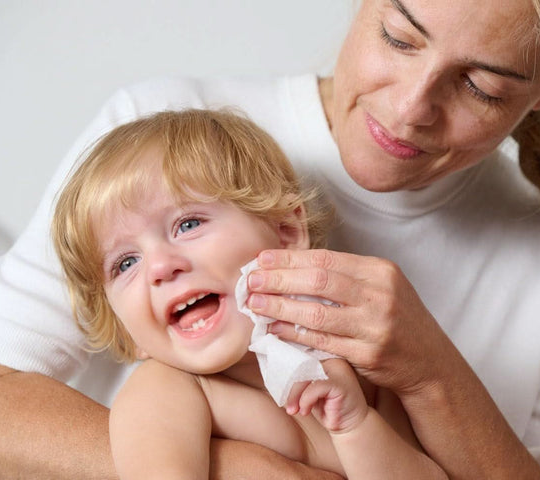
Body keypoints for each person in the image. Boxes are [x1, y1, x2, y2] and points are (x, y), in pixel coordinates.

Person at [0, 0, 540, 479]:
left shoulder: (535, 264)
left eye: (481, 86)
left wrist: (429, 375)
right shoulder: (160, 141)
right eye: (399, 37)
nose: (410, 107)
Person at [51, 108, 446, 479]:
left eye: (187, 225)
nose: (159, 267)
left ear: (286, 235)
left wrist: (355, 426)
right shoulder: (166, 390)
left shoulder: (356, 369)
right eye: (125, 263)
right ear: (125, 329)